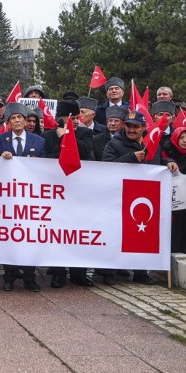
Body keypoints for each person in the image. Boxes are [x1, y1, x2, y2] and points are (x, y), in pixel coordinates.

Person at [102, 110, 178, 285]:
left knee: (142, 236)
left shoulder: (152, 143)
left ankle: (141, 272)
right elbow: (106, 167)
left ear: (144, 127)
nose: (131, 130)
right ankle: (109, 273)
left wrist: (168, 163)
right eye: (128, 126)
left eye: (136, 126)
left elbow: (157, 161)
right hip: (119, 198)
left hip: (145, 198)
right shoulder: (114, 144)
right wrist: (131, 157)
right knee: (116, 235)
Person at [42, 100, 95, 288]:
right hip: (55, 192)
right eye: (68, 117)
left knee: (77, 233)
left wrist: (66, 137)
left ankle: (78, 273)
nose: (73, 120)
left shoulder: (85, 133)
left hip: (77, 192)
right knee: (57, 234)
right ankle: (58, 273)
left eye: (75, 117)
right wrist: (59, 139)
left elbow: (86, 153)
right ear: (60, 118)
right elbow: (44, 159)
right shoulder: (48, 136)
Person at [0, 102, 45, 292]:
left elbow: (45, 167)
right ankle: (9, 277)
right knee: (9, 238)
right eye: (12, 118)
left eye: (19, 118)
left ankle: (30, 278)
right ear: (8, 122)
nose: (16, 120)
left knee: (29, 238)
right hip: (7, 199)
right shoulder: (0, 141)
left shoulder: (38, 141)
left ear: (25, 121)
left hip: (30, 199)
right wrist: (1, 158)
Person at [163, 127, 186, 253]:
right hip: (173, 206)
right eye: (181, 137)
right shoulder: (167, 153)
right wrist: (168, 161)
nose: (185, 141)